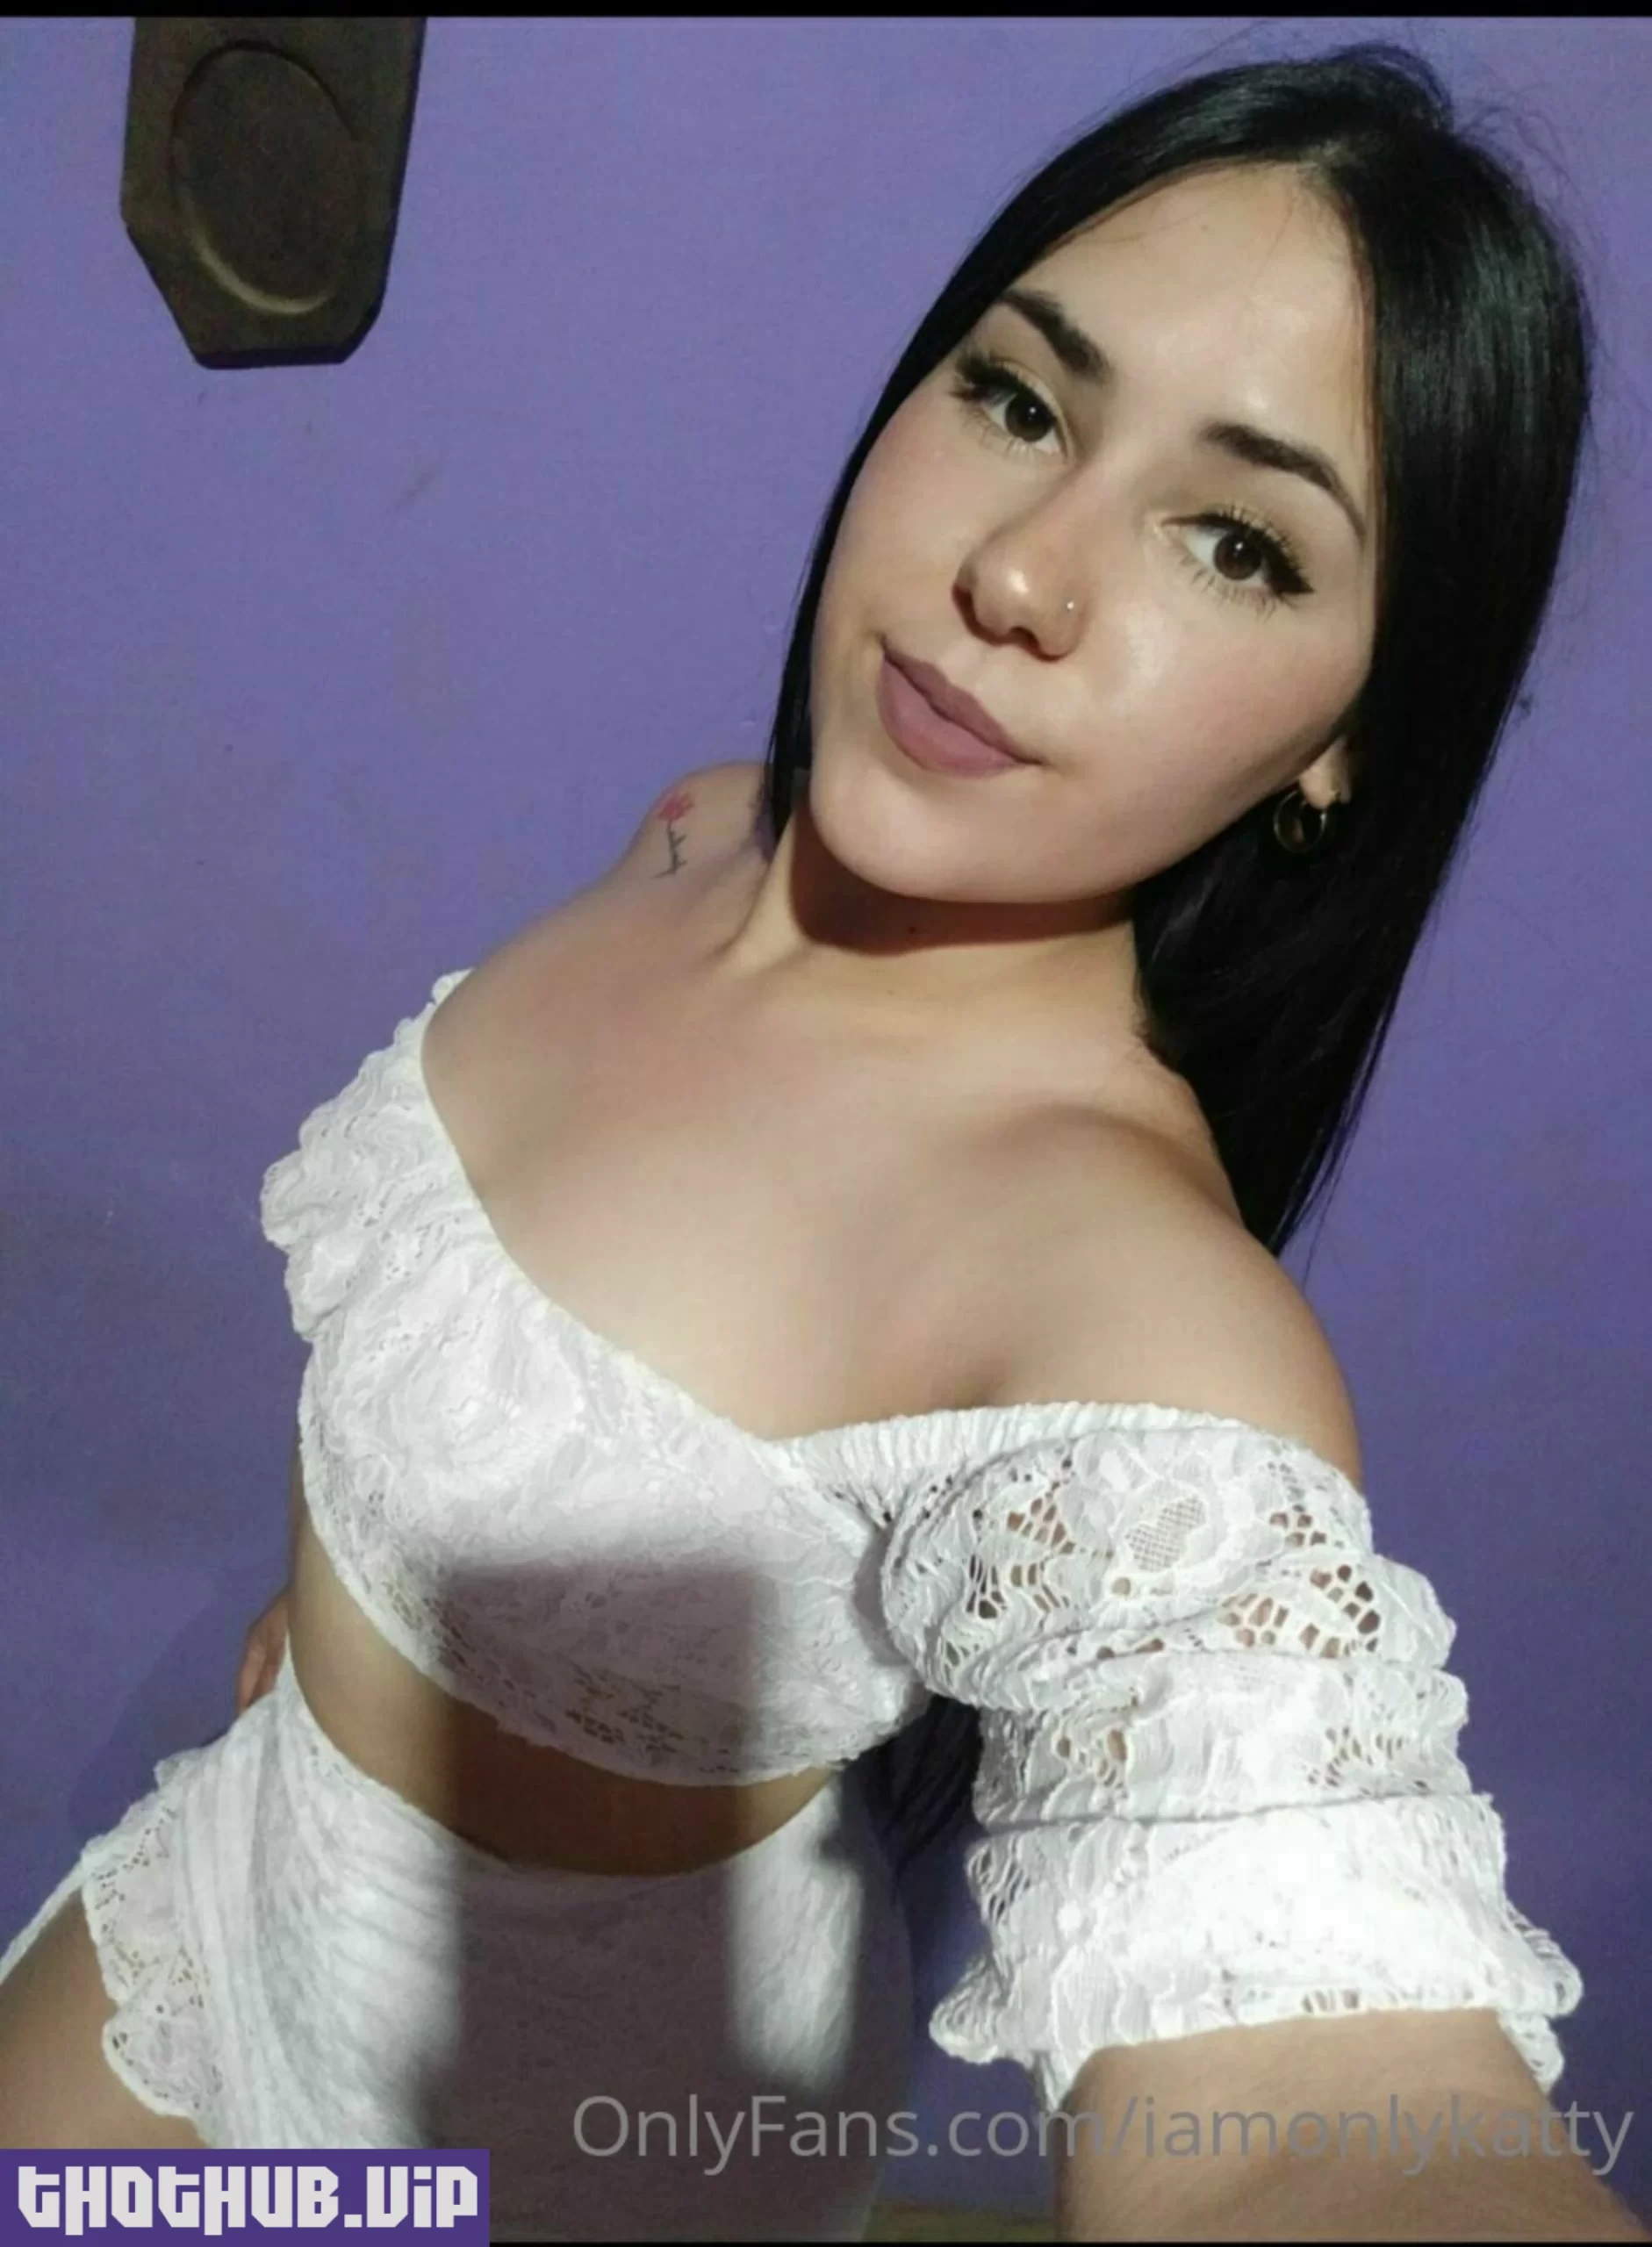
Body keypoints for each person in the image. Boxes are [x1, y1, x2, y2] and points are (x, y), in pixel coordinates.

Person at [3, 37, 1643, 2244]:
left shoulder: (1119, 1298)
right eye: (1018, 399)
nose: (1021, 574)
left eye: (1235, 540)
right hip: (244, 1878)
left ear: (1345, 735)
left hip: (565, 2147)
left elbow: (1312, 2111)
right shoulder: (701, 831)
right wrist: (346, 1652)